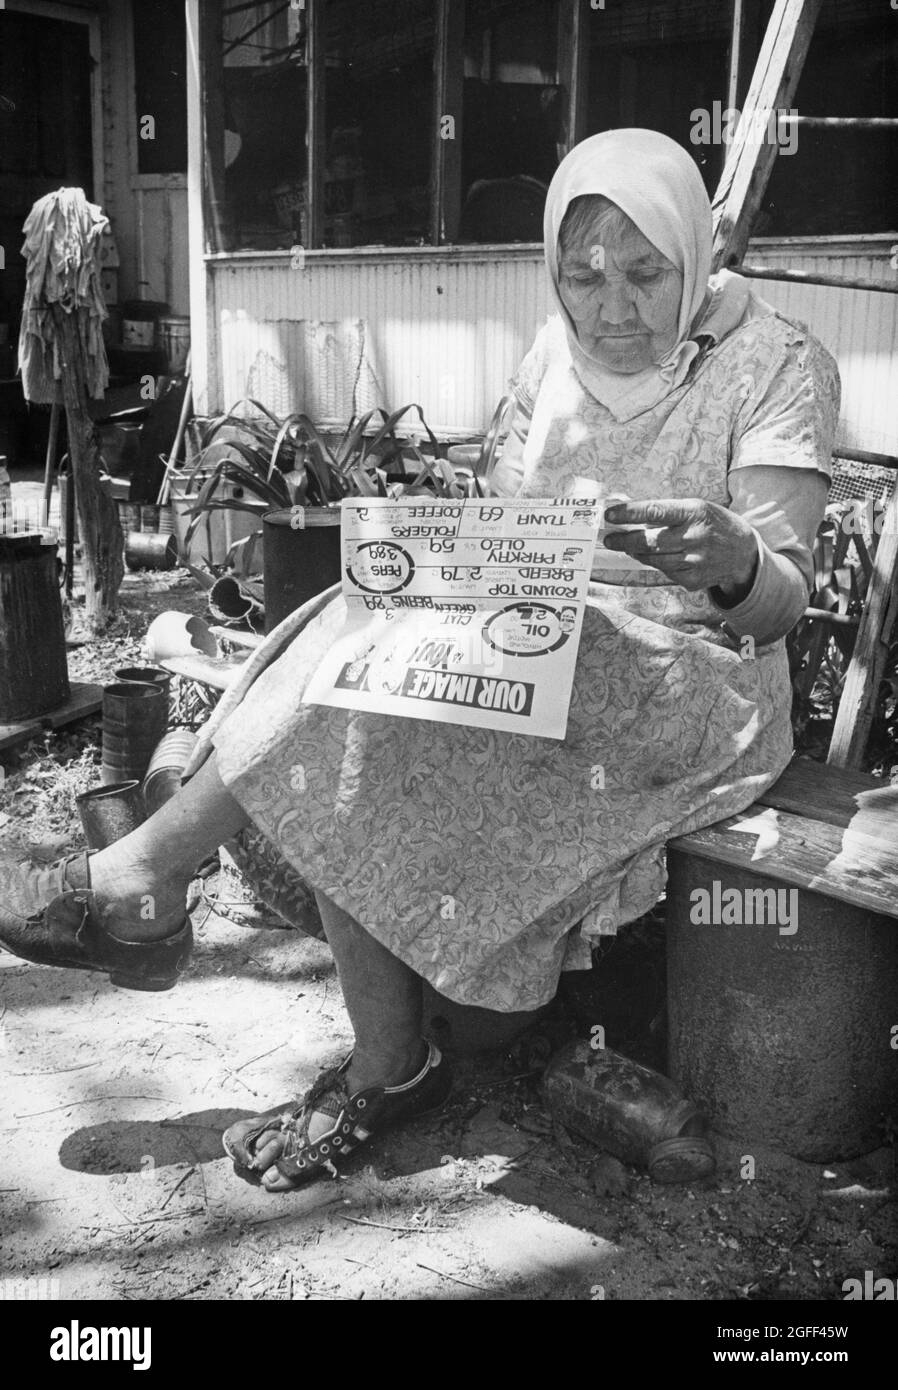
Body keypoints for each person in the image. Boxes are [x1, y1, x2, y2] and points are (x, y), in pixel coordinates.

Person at [0, 130, 839, 1193]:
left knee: (383, 686)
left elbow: (777, 605)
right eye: (581, 276)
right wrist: (444, 554)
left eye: (643, 273)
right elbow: (507, 530)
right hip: (545, 647)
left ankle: (164, 900)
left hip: (695, 681)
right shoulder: (551, 356)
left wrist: (730, 558)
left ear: (692, 256)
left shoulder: (771, 362)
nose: (610, 308)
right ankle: (303, 992)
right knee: (354, 637)